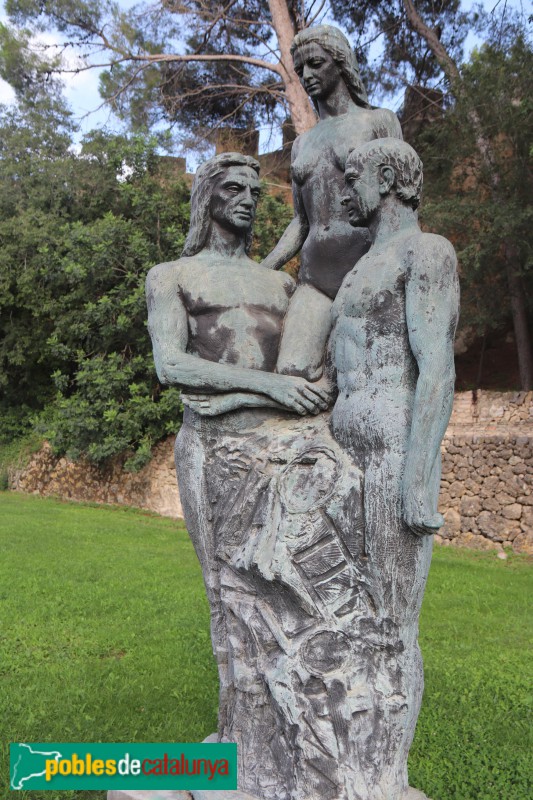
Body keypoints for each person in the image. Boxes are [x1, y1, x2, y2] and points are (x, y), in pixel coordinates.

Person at [329, 137, 459, 795]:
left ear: (387, 177)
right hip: (340, 450)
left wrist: (416, 477)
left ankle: (384, 777)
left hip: (389, 452)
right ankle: (346, 758)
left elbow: (435, 365)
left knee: (390, 624)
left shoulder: (424, 252)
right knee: (344, 618)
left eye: (352, 178)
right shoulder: (360, 264)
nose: (346, 192)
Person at [261, 24, 403, 381]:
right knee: (293, 370)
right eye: (300, 70)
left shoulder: (378, 122)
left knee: (364, 377)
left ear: (340, 63)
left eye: (316, 63)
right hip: (314, 279)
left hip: (367, 271)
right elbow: (301, 221)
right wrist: (266, 266)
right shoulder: (301, 145)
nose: (306, 75)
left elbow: (402, 200)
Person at [146, 152, 329, 417]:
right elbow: (170, 365)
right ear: (207, 194)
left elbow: (312, 384)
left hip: (280, 431)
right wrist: (270, 385)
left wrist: (244, 398)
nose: (247, 201)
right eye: (234, 189)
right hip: (211, 434)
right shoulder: (170, 275)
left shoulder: (281, 283)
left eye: (254, 193)